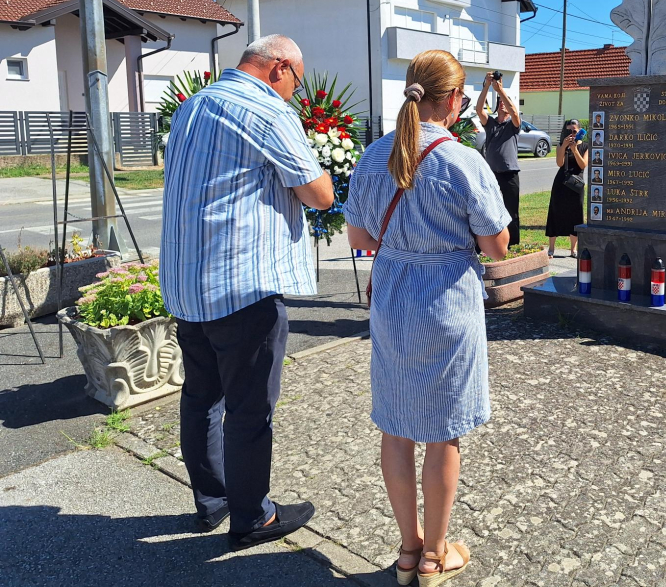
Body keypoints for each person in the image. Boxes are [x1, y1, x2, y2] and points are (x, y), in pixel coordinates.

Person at [161, 35, 333, 550]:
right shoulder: (266, 110)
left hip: (189, 283)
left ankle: (212, 502)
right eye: (296, 84)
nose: (294, 95)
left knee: (200, 400)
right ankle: (252, 517)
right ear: (280, 67)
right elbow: (320, 194)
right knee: (249, 408)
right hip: (242, 285)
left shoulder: (193, 106)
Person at [345, 50, 510, 586]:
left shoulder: (373, 157)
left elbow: (361, 239)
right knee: (443, 434)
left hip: (394, 301)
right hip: (447, 304)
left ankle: (408, 552)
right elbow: (497, 248)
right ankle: (438, 555)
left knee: (396, 428)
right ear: (456, 101)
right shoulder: (463, 161)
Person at [476, 71, 521, 245]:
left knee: (511, 210)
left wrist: (501, 90)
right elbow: (479, 109)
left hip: (510, 174)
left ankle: (514, 244)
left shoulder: (513, 125)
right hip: (491, 173)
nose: (503, 104)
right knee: (488, 209)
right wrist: (487, 85)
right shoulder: (491, 124)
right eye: (500, 102)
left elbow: (515, 113)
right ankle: (490, 243)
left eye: (506, 103)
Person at [544, 119, 588, 258]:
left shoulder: (586, 146)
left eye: (574, 131)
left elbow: (582, 165)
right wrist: (564, 147)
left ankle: (573, 249)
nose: (572, 134)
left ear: (580, 131)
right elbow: (559, 163)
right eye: (569, 131)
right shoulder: (561, 145)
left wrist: (575, 150)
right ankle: (551, 248)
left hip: (576, 185)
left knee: (575, 215)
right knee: (555, 213)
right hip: (561, 183)